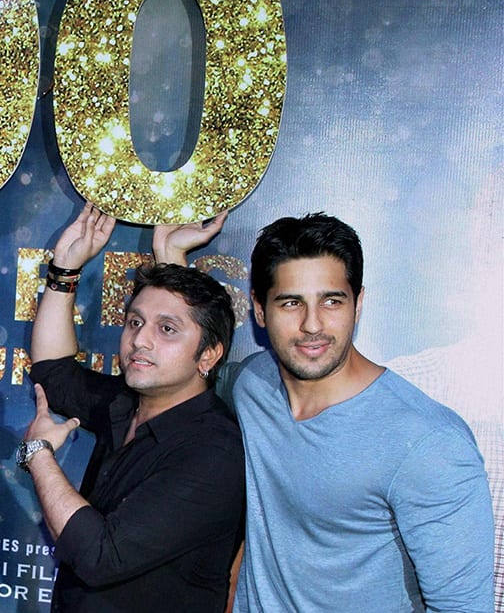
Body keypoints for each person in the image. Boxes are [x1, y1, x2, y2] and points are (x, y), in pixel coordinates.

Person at [158, 212, 495, 612]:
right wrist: (169, 257)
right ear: (260, 311)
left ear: (359, 304)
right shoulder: (254, 385)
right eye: (291, 303)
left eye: (332, 301)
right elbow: (192, 354)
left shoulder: (428, 443)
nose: (312, 324)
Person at [20, 203, 244, 611]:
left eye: (167, 329)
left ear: (209, 356)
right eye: (135, 322)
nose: (140, 340)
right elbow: (52, 372)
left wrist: (39, 456)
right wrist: (65, 271)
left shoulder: (215, 451)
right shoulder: (125, 402)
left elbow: (101, 557)